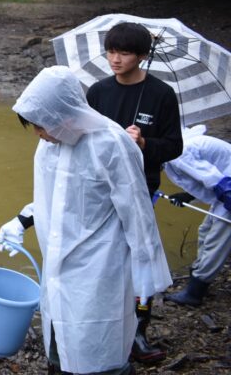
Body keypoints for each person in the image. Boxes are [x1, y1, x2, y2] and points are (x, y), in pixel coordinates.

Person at [0, 66, 171, 375]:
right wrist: (21, 221)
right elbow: (52, 198)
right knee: (59, 341)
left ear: (64, 115)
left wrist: (147, 273)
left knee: (99, 347)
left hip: (101, 265)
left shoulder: (112, 144)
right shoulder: (50, 144)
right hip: (58, 264)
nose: (38, 134)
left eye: (41, 126)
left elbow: (138, 212)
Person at [85, 22, 182, 363]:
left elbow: (173, 146)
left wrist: (143, 143)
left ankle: (139, 329)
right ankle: (100, 320)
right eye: (111, 51)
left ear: (142, 56)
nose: (115, 59)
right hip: (98, 189)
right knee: (100, 256)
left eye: (124, 53)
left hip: (140, 189)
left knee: (139, 257)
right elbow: (84, 140)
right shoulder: (97, 92)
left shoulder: (160, 94)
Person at [161, 125, 231, 306]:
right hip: (224, 185)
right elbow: (202, 177)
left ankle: (195, 292)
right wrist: (187, 197)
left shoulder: (178, 153)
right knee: (205, 230)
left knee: (217, 239)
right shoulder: (173, 152)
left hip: (227, 187)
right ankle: (198, 275)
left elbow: (213, 179)